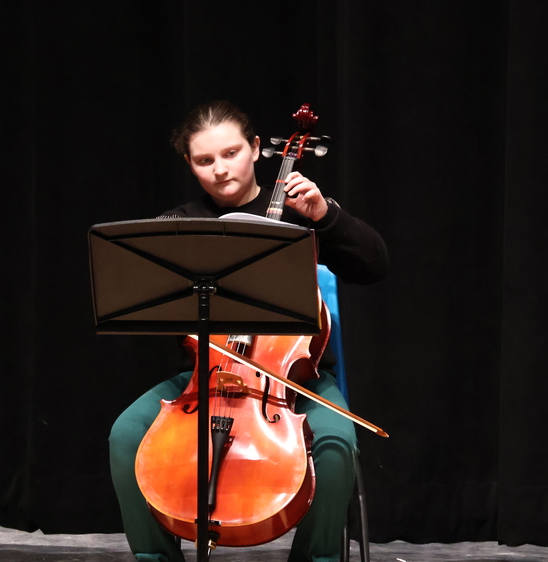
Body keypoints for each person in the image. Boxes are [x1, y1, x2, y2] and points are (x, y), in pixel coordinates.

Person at [108, 100, 388, 562]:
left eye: (231, 153)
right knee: (125, 435)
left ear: (256, 149)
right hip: (204, 380)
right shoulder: (177, 225)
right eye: (205, 160)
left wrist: (326, 217)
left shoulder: (302, 213)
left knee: (337, 446)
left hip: (295, 383)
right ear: (189, 164)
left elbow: (375, 265)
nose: (220, 169)